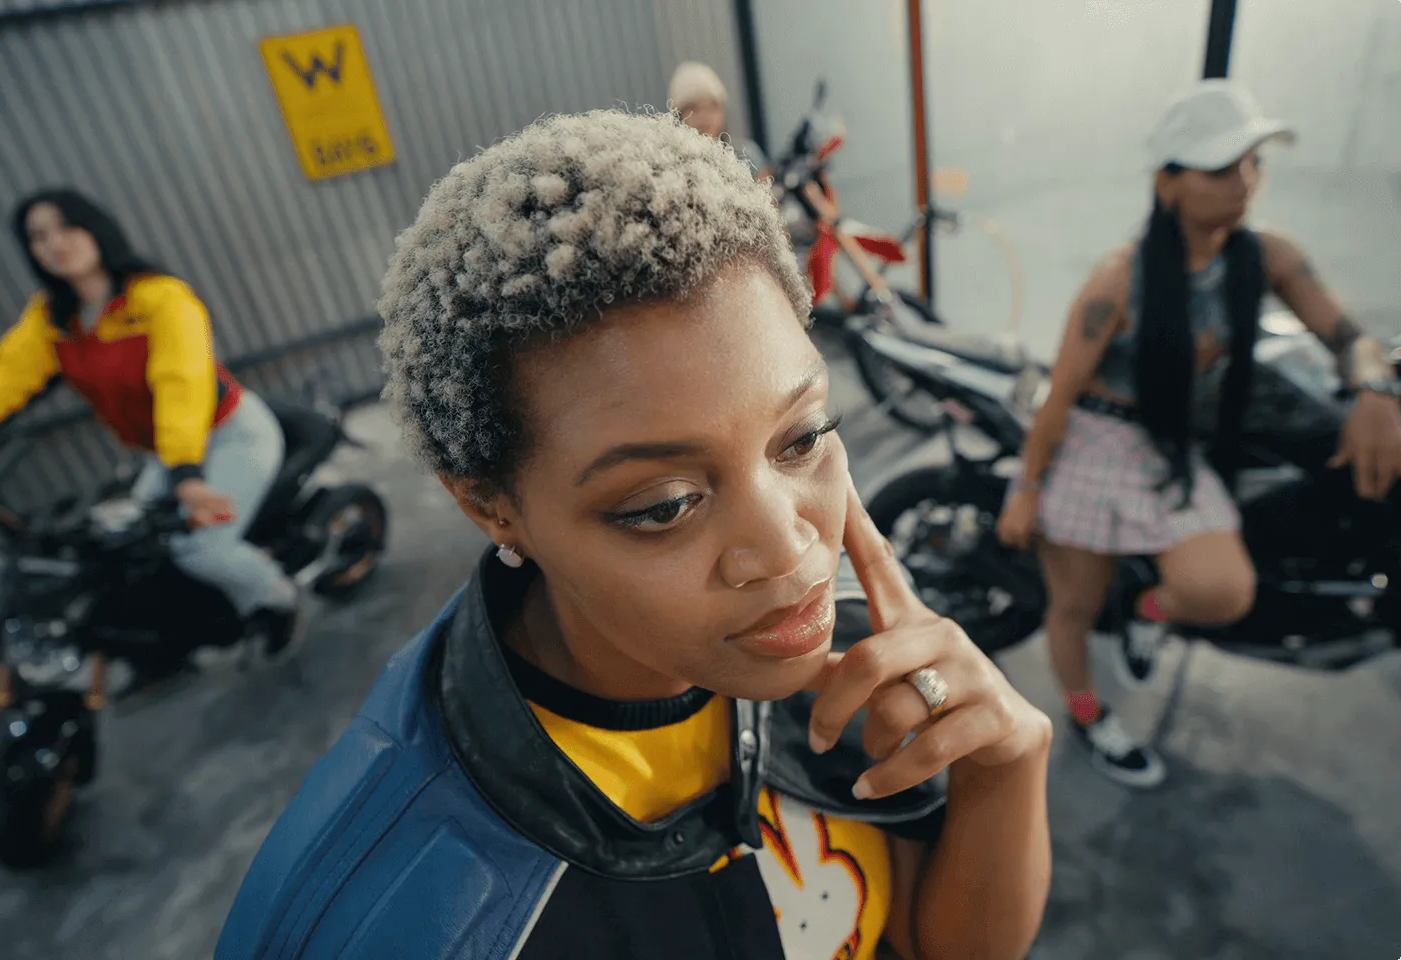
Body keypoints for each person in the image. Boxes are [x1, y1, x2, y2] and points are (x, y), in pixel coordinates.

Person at [216, 110, 1052, 960]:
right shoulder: (392, 911)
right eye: (663, 504)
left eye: (802, 439)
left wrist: (1005, 767)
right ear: (490, 507)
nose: (792, 552)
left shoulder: (860, 650)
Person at [996, 81, 1401, 788]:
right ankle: (1089, 715)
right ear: (1168, 183)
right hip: (1096, 439)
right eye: (1222, 167)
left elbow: (1347, 335)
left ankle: (1148, 609)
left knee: (1223, 590)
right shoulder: (1117, 281)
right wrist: (1027, 490)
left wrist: (1373, 387)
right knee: (1074, 606)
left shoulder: (1265, 256)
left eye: (1253, 163)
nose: (1244, 182)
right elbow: (1059, 396)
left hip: (1172, 447)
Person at [0, 190, 306, 662]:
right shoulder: (51, 318)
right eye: (38, 236)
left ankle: (276, 599)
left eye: (66, 227)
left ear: (95, 227)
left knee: (201, 549)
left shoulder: (160, 298)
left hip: (227, 434)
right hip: (164, 453)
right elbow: (8, 374)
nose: (55, 243)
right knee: (130, 549)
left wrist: (186, 477)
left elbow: (181, 385)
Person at [669, 60, 770, 175]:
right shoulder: (671, 165)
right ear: (678, 116)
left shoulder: (746, 155)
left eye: (712, 107)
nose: (704, 117)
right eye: (694, 109)